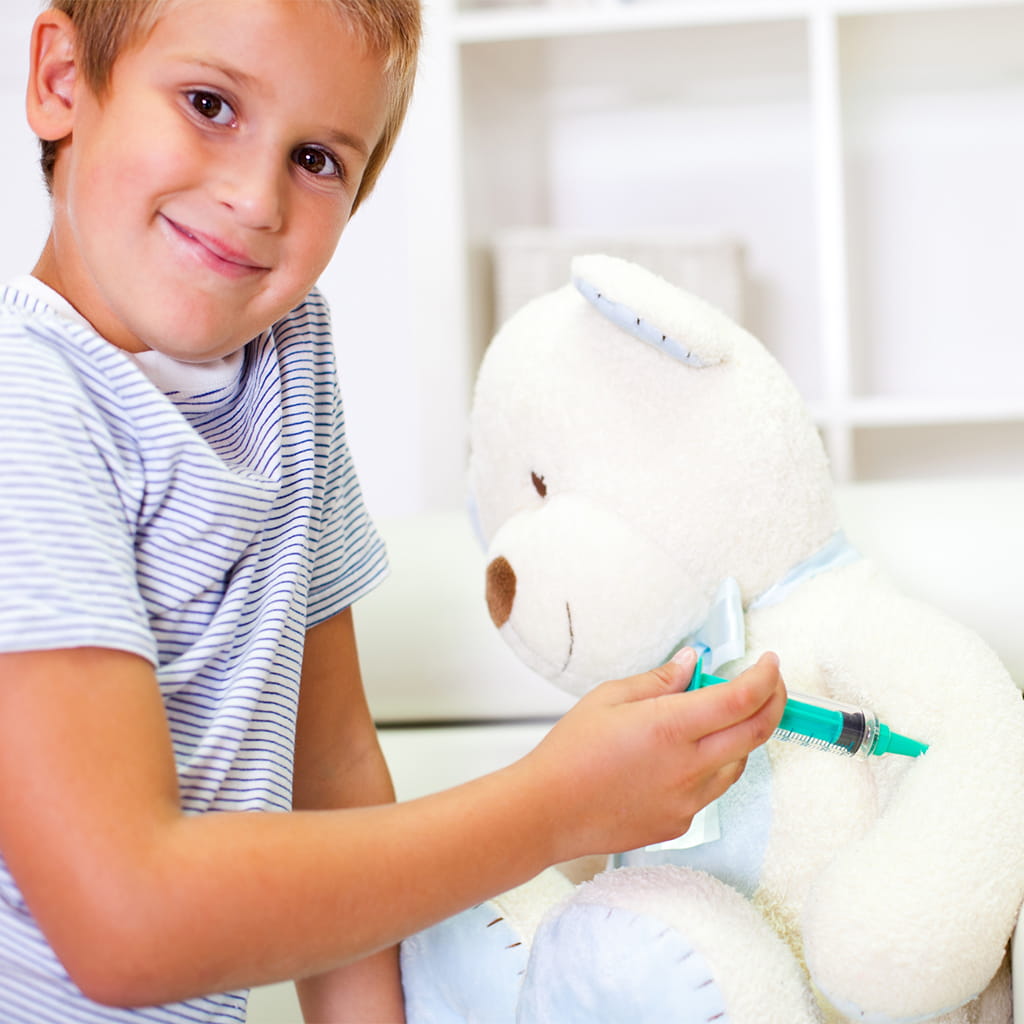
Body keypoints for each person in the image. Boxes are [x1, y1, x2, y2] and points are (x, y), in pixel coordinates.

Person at [0, 1, 788, 1021]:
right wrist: (550, 809)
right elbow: (125, 925)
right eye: (207, 104)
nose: (253, 198)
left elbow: (327, 762)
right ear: (62, 81)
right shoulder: (27, 410)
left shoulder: (284, 360)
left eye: (318, 159)